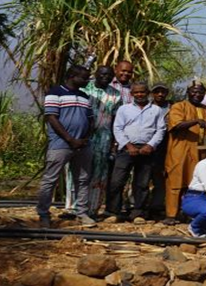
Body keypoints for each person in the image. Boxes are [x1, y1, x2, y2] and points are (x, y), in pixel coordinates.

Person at [37, 65, 96, 228]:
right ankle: (43, 214)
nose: (87, 81)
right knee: (50, 179)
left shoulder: (84, 96)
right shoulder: (55, 93)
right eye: (84, 78)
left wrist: (84, 138)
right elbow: (52, 118)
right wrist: (70, 139)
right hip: (61, 144)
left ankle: (82, 213)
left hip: (83, 145)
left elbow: (91, 120)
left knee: (83, 179)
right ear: (72, 76)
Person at [108, 82, 166, 221]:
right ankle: (112, 212)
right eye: (136, 92)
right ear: (132, 94)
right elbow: (117, 128)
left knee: (142, 183)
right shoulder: (124, 109)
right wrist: (128, 145)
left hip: (147, 150)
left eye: (142, 92)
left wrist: (151, 145)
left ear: (148, 93)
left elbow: (161, 129)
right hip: (126, 149)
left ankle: (138, 212)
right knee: (117, 180)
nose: (139, 95)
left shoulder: (156, 110)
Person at [164, 82, 206, 225]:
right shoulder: (178, 106)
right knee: (176, 182)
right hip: (180, 151)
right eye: (194, 92)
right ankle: (171, 215)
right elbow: (176, 125)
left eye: (200, 92)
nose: (197, 95)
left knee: (195, 184)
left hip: (200, 152)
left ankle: (188, 213)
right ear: (188, 92)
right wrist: (196, 121)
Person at [79, 65, 122, 216]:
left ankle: (93, 209)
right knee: (79, 173)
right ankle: (74, 208)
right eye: (102, 74)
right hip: (83, 136)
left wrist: (114, 143)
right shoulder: (84, 89)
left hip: (104, 138)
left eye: (109, 75)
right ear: (96, 74)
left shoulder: (115, 94)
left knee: (99, 174)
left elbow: (116, 119)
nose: (106, 77)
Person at [147, 84, 171, 218]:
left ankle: (156, 206)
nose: (160, 94)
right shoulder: (147, 106)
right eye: (157, 92)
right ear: (152, 93)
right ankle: (137, 205)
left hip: (165, 146)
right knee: (143, 177)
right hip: (147, 144)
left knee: (160, 177)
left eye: (163, 92)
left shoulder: (172, 107)